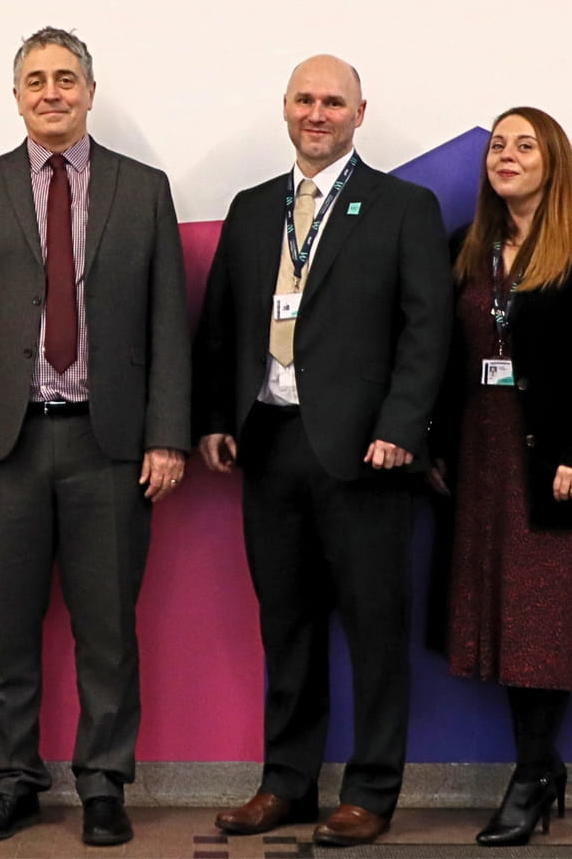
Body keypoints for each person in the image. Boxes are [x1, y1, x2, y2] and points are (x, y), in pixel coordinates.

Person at [0, 27, 191, 849]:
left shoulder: (142, 189)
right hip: (3, 447)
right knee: (4, 626)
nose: (50, 92)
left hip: (108, 446)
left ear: (89, 92)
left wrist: (168, 435)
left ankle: (103, 782)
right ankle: (14, 781)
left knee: (107, 627)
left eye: (65, 79)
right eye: (35, 80)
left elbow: (168, 321)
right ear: (15, 95)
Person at [193, 55, 451, 849]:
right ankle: (288, 784)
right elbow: (222, 324)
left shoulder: (403, 206)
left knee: (375, 633)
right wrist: (213, 417)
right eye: (304, 99)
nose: (317, 113)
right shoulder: (250, 208)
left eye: (332, 101)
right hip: (268, 445)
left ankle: (370, 792)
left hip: (366, 454)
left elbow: (426, 330)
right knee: (287, 627)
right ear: (284, 108)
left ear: (359, 113)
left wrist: (401, 429)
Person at [433, 107, 572, 846]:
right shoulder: (466, 248)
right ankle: (538, 769)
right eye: (496, 145)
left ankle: (533, 773)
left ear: (553, 161)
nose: (506, 155)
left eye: (524, 144)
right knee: (502, 615)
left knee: (543, 619)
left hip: (554, 463)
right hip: (482, 456)